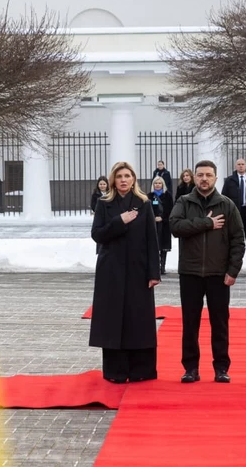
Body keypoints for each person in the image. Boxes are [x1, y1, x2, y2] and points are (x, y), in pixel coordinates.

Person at [169, 160, 245, 383]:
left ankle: (221, 367)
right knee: (190, 323)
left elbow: (238, 240)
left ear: (215, 177)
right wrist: (206, 223)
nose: (204, 179)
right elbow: (175, 227)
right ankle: (190, 368)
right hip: (190, 273)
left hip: (218, 274)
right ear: (194, 177)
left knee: (220, 323)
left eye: (208, 175)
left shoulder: (227, 205)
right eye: (200, 175)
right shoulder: (184, 202)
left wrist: (233, 270)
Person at [89, 161, 162, 384]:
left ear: (133, 180)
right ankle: (116, 371)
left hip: (138, 270)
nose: (123, 179)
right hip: (111, 271)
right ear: (113, 180)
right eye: (119, 176)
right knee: (113, 319)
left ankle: (141, 369)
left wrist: (154, 272)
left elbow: (152, 239)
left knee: (138, 319)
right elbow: (97, 234)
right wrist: (119, 221)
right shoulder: (104, 204)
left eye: (127, 176)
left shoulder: (144, 203)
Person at [222, 158, 246, 274]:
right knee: (234, 241)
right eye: (238, 164)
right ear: (235, 166)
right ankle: (232, 266)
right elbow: (224, 198)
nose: (241, 166)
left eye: (243, 164)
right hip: (235, 214)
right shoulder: (229, 181)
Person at [150, 176, 174, 275]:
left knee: (163, 247)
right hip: (153, 224)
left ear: (163, 184)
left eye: (159, 183)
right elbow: (148, 209)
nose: (158, 185)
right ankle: (155, 266)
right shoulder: (150, 196)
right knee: (154, 246)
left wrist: (163, 218)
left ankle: (162, 267)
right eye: (156, 183)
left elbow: (170, 210)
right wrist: (154, 217)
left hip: (164, 224)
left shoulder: (167, 195)